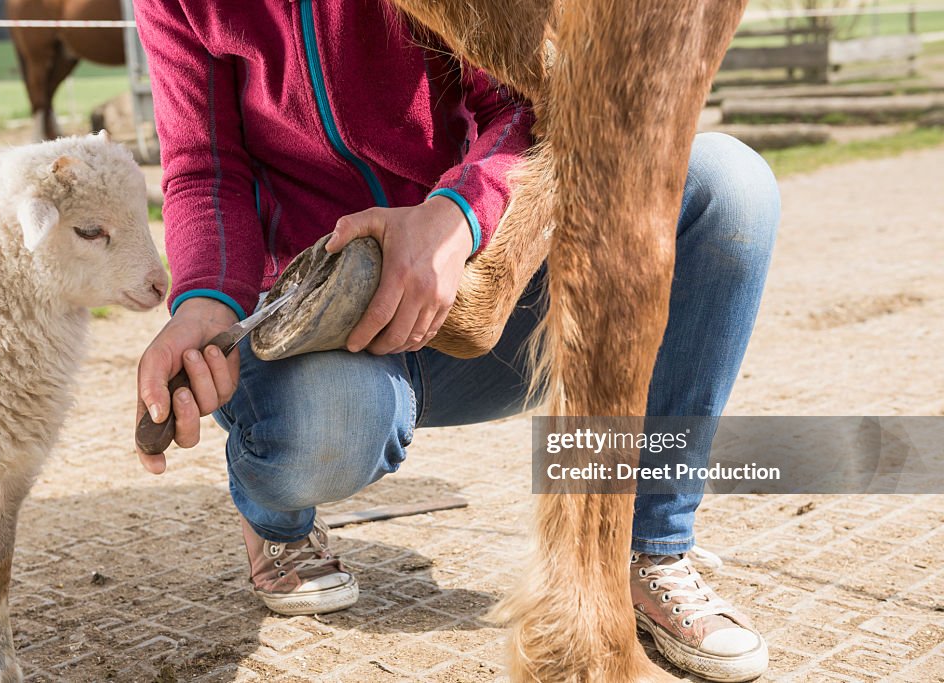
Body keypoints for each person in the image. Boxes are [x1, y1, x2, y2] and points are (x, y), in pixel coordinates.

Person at [133, 2, 780, 680]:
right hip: (325, 318)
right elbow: (205, 165)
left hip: (478, 283)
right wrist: (205, 301)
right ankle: (277, 522)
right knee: (329, 428)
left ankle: (649, 545)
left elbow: (529, 101)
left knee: (725, 188)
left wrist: (458, 214)